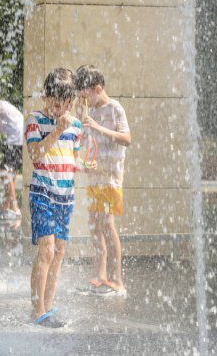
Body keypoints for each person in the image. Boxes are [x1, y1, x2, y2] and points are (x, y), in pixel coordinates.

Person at [24, 67, 94, 328]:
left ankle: (49, 307)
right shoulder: (34, 120)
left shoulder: (75, 126)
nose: (61, 109)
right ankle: (37, 310)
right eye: (56, 103)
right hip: (42, 192)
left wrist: (83, 166)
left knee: (60, 252)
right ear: (46, 97)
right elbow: (36, 155)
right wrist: (55, 131)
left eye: (66, 104)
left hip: (65, 196)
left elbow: (71, 159)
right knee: (46, 250)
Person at [75, 65, 131, 297]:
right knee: (94, 224)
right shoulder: (90, 113)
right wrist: (84, 163)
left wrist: (99, 127)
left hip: (111, 178)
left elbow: (126, 139)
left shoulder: (115, 108)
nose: (83, 99)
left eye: (85, 94)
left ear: (97, 88)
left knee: (107, 224)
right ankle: (101, 275)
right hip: (96, 178)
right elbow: (87, 145)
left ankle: (118, 280)